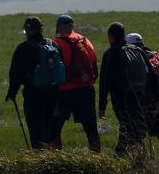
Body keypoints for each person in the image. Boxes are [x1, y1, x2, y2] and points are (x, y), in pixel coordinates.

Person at [6, 16, 61, 150]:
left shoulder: (24, 48)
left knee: (36, 132)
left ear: (29, 31)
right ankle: (50, 160)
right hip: (52, 94)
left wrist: (12, 92)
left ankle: (40, 160)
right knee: (48, 130)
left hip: (34, 95)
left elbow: (16, 74)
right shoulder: (53, 45)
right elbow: (61, 69)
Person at [50, 14, 101, 153]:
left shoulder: (57, 43)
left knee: (55, 125)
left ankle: (54, 157)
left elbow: (55, 71)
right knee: (90, 126)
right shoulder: (84, 41)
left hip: (65, 90)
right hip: (86, 90)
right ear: (72, 26)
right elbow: (94, 64)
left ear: (59, 27)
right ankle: (97, 156)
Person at [98, 22, 150, 156]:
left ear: (111, 37)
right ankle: (138, 157)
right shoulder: (137, 50)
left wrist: (102, 105)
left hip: (122, 98)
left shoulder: (110, 54)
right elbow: (151, 73)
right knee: (136, 128)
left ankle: (122, 156)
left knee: (126, 127)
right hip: (141, 96)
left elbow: (105, 81)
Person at [126, 33, 159, 154]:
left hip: (145, 105)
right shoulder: (157, 57)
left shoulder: (134, 59)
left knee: (137, 140)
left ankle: (145, 166)